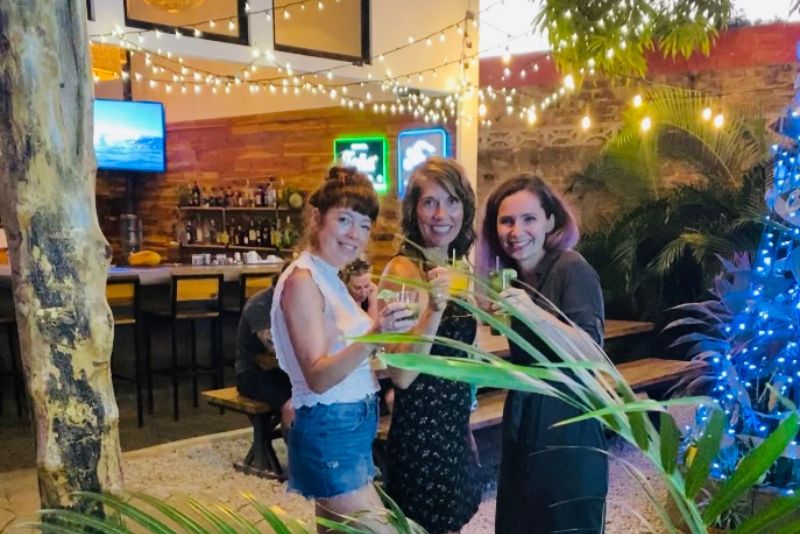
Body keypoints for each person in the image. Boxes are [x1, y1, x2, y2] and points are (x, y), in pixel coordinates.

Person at [270, 166, 424, 532]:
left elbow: (348, 360)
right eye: (344, 220)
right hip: (330, 431)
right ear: (316, 217)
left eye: (364, 226)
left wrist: (383, 336)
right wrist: (375, 333)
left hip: (347, 429)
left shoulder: (329, 279)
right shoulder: (303, 281)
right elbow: (318, 376)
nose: (355, 235)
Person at [476, 174, 607, 534]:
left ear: (550, 221)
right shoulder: (515, 280)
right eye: (506, 221)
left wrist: (533, 314)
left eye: (528, 218)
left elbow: (593, 354)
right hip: (524, 421)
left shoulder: (571, 268)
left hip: (568, 425)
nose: (516, 231)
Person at [380, 157, 481, 534]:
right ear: (414, 210)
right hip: (422, 435)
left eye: (452, 201)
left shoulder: (456, 266)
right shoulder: (402, 271)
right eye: (430, 202)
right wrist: (435, 307)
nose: (442, 214)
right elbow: (402, 375)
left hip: (453, 427)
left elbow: (456, 357)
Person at [234, 270, 294, 430]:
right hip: (254, 375)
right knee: (293, 407)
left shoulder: (298, 302)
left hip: (284, 371)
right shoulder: (259, 305)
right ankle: (297, 452)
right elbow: (277, 348)